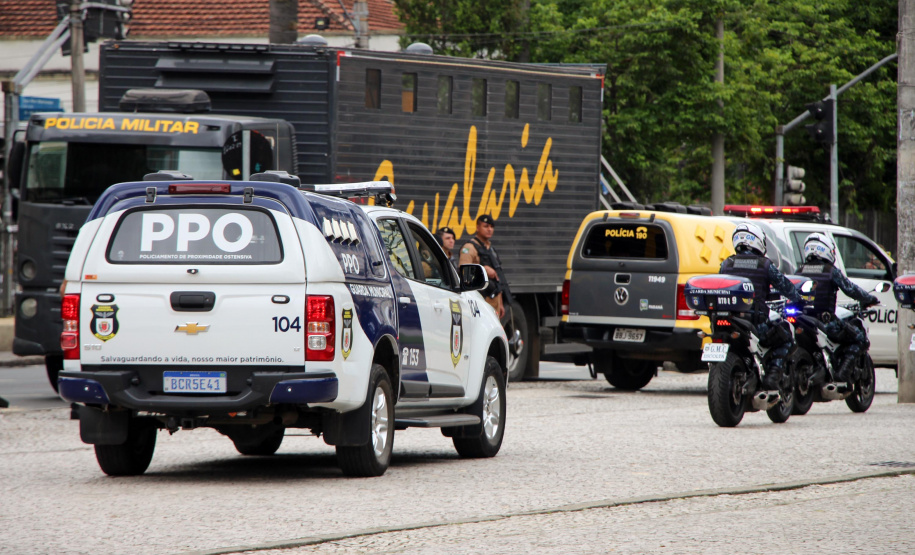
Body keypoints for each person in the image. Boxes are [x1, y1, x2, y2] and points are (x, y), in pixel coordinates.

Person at [720, 222, 802, 390]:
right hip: (757, 323)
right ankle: (772, 377)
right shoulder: (764, 264)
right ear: (757, 241)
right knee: (785, 336)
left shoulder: (726, 264)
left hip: (729, 319)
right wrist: (798, 298)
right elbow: (785, 286)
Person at [797, 233, 879, 383]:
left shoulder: (799, 271)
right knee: (859, 339)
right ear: (826, 250)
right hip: (826, 323)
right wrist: (869, 298)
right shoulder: (830, 271)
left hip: (802, 321)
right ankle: (842, 374)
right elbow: (850, 289)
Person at [459, 215, 510, 319]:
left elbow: (497, 278)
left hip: (493, 298)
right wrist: (484, 270)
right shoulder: (469, 248)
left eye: (491, 226)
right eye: (486, 226)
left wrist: (499, 303)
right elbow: (464, 274)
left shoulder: (490, 249)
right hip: (479, 300)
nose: (489, 229)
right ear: (477, 227)